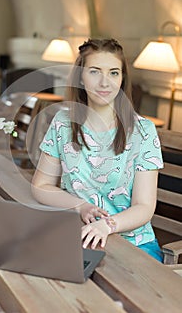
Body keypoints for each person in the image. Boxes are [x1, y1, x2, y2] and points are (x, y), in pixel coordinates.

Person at [31, 38, 164, 262]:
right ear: (80, 78)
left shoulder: (144, 130)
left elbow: (144, 206)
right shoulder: (63, 122)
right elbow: (40, 186)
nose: (105, 82)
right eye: (94, 72)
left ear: (122, 79)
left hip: (132, 245)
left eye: (113, 73)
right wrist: (80, 206)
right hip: (75, 237)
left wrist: (107, 225)